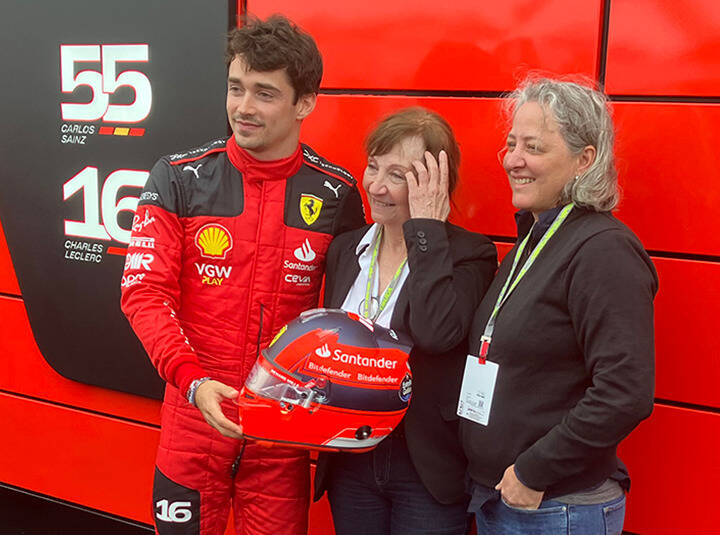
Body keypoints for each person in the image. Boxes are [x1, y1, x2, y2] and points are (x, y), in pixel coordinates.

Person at [120, 15, 366, 535]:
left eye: (264, 93)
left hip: (281, 439)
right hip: (193, 422)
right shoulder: (178, 178)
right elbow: (143, 294)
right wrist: (194, 382)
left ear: (305, 103)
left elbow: (355, 317)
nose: (243, 107)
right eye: (236, 89)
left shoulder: (337, 194)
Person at [459, 77, 658, 534]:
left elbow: (624, 392)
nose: (513, 160)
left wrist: (534, 471)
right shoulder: (535, 237)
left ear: (584, 160)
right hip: (505, 500)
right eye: (510, 144)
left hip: (555, 507)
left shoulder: (603, 249)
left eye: (534, 147)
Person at [314, 107, 498, 535]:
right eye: (373, 166)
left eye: (397, 175)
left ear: (433, 184)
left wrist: (427, 229)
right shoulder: (346, 250)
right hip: (352, 456)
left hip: (424, 468)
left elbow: (436, 334)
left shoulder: (470, 254)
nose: (375, 186)